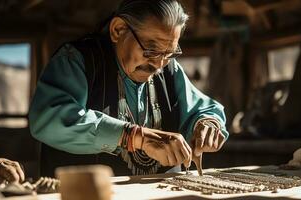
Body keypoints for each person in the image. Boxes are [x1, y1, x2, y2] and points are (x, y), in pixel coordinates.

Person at [29, 0, 228, 177]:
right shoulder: (78, 60)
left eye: (169, 53)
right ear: (118, 30)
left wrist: (207, 124)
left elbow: (203, 109)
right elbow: (48, 118)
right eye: (150, 50)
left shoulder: (169, 69)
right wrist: (132, 136)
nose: (158, 65)